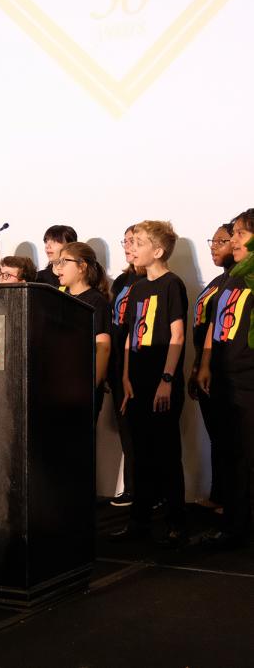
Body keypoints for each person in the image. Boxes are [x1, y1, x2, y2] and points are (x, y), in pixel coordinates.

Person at [113, 221, 188, 548]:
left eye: (140, 242)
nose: (133, 248)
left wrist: (167, 380)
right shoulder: (138, 287)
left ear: (157, 251)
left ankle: (176, 523)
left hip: (162, 379)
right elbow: (131, 336)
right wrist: (127, 378)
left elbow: (177, 335)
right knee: (141, 454)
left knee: (167, 454)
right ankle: (138, 522)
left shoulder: (172, 285)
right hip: (138, 380)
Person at [197, 208, 254, 550]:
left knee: (247, 456)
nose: (233, 240)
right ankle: (233, 526)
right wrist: (204, 364)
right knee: (233, 453)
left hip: (249, 378)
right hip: (225, 376)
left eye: (239, 234)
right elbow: (216, 326)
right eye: (231, 234)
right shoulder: (232, 278)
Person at [188, 223, 235, 511]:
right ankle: (220, 496)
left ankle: (232, 501)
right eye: (212, 241)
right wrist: (196, 367)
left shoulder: (239, 282)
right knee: (218, 438)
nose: (213, 247)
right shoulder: (218, 281)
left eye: (222, 241)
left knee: (231, 441)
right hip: (206, 371)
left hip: (225, 371)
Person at [108, 225, 145, 507]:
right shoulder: (121, 280)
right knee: (126, 429)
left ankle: (142, 489)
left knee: (140, 430)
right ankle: (133, 487)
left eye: (134, 241)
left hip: (140, 362)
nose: (128, 246)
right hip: (118, 359)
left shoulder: (154, 281)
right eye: (126, 241)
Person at [53, 242, 111, 420]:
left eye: (64, 262)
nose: (58, 268)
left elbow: (103, 347)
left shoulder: (96, 301)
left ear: (82, 267)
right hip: (58, 386)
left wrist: (92, 387)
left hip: (81, 389)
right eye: (58, 262)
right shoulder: (58, 297)